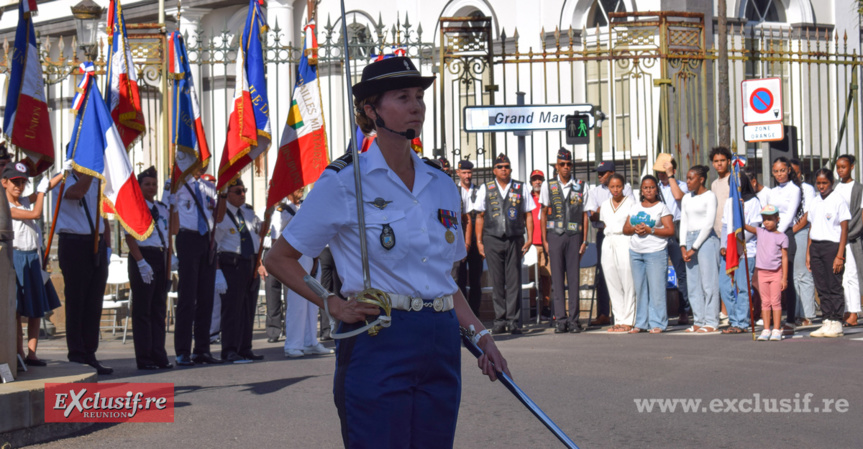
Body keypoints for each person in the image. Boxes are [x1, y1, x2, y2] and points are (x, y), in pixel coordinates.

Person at [263, 56, 509, 448]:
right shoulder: (346, 182)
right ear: (371, 109)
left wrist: (483, 338)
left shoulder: (442, 184)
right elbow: (278, 258)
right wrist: (332, 304)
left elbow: (445, 283)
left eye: (418, 97)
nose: (416, 106)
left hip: (440, 342)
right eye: (402, 97)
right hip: (378, 337)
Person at [55, 161, 113, 374]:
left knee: (93, 303)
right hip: (73, 243)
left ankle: (90, 353)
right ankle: (77, 355)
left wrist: (107, 245)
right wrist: (93, 170)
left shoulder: (96, 181)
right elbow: (76, 193)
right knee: (77, 301)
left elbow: (103, 214)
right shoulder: (61, 179)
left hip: (95, 243)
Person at [4, 163, 62, 367]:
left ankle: (32, 353)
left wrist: (64, 172)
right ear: (4, 183)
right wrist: (40, 192)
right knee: (17, 311)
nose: (19, 186)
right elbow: (36, 213)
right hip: (17, 257)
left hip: (32, 257)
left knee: (36, 308)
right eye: (15, 182)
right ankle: (18, 352)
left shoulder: (23, 202)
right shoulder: (6, 207)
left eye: (22, 182)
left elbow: (45, 188)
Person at [474, 153, 535, 334]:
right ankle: (499, 320)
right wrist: (478, 241)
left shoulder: (520, 187)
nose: (503, 169)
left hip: (514, 237)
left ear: (510, 169)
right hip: (492, 238)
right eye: (500, 167)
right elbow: (479, 215)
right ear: (494, 169)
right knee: (497, 280)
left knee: (514, 280)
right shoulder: (486, 188)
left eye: (507, 166)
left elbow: (529, 214)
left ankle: (513, 320)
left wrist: (530, 237)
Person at [170, 168, 223, 366]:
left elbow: (219, 216)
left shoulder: (208, 187)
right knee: (187, 298)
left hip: (207, 240)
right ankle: (182, 351)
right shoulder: (177, 185)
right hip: (187, 238)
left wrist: (223, 193)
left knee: (206, 298)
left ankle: (202, 349)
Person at [125, 167, 172, 369]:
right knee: (143, 311)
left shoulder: (161, 208)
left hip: (159, 255)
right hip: (142, 256)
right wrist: (140, 261)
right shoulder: (135, 206)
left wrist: (175, 207)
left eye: (154, 184)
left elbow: (172, 232)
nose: (151, 187)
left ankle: (158, 354)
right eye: (147, 184)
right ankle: (144, 358)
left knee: (158, 309)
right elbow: (129, 235)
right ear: (139, 186)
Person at [214, 178, 264, 363]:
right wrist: (218, 271)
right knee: (232, 309)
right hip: (231, 264)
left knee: (248, 308)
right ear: (227, 195)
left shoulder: (248, 212)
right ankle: (229, 350)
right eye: (238, 191)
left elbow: (259, 232)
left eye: (244, 190)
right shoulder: (221, 215)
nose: (242, 194)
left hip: (250, 263)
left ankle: (245, 348)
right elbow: (215, 245)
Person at [539, 148, 588, 333]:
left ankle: (574, 320)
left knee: (574, 278)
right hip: (555, 235)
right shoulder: (548, 185)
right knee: (557, 278)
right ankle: (560, 319)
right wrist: (544, 240)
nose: (566, 167)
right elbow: (543, 213)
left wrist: (584, 240)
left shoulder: (581, 185)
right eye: (562, 164)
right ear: (557, 166)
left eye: (568, 164)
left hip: (574, 236)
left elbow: (585, 215)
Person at [585, 161, 633, 326]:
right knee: (608, 277)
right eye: (598, 173)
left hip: (624, 237)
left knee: (626, 276)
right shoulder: (599, 197)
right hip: (605, 237)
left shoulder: (627, 194)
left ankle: (628, 318)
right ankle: (612, 316)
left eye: (603, 173)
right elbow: (593, 215)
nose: (599, 176)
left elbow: (630, 217)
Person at [624, 175, 673, 333]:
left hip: (655, 252)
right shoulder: (635, 207)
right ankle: (641, 323)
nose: (649, 190)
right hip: (636, 252)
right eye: (645, 187)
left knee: (656, 289)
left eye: (652, 187)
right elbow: (625, 229)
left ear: (656, 189)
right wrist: (635, 229)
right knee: (640, 288)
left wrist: (651, 230)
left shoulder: (662, 207)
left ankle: (658, 323)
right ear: (642, 190)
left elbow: (670, 230)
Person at [807, 169, 850, 338]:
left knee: (833, 283)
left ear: (831, 183)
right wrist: (808, 253)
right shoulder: (815, 201)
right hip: (816, 246)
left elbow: (844, 227)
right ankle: (826, 320)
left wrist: (840, 255)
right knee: (821, 285)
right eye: (818, 183)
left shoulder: (838, 200)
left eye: (825, 183)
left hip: (832, 246)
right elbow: (811, 226)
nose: (821, 186)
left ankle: (836, 320)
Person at [719, 170, 761, 334]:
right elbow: (724, 226)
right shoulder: (730, 202)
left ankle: (742, 322)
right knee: (724, 286)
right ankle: (734, 318)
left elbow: (755, 227)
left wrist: (737, 244)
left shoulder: (753, 202)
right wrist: (724, 245)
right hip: (729, 252)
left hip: (745, 251)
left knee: (743, 287)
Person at [680, 165, 720, 333]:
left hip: (705, 240)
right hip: (689, 240)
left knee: (708, 283)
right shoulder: (686, 198)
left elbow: (709, 224)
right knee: (693, 283)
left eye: (691, 178)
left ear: (701, 179)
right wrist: (683, 246)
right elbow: (683, 222)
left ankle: (711, 321)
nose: (688, 182)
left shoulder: (710, 196)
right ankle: (698, 319)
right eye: (687, 178)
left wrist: (694, 247)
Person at [599, 174, 636, 332]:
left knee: (627, 280)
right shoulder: (605, 204)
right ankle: (618, 318)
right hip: (608, 241)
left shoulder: (631, 202)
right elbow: (605, 223)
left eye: (618, 186)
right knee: (611, 279)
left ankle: (629, 319)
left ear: (623, 186)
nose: (615, 190)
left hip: (624, 240)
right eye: (612, 186)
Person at [769, 157, 803, 334]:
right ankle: (773, 318)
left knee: (786, 278)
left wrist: (777, 234)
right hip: (771, 235)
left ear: (788, 170)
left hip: (785, 235)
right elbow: (768, 212)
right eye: (776, 171)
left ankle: (790, 319)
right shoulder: (772, 191)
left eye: (782, 170)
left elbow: (789, 215)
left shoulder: (795, 189)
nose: (779, 174)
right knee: (772, 277)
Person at [746, 205, 788, 341]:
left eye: (770, 219)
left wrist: (784, 278)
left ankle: (776, 328)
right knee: (765, 302)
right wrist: (740, 209)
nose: (766, 222)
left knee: (775, 301)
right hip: (762, 272)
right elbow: (745, 226)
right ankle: (766, 329)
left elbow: (785, 258)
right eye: (764, 219)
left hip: (776, 273)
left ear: (777, 219)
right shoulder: (760, 231)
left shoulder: (782, 237)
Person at [657, 158, 691, 324]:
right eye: (659, 171)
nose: (661, 175)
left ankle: (684, 311)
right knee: (657, 273)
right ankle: (660, 312)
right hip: (659, 231)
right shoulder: (654, 187)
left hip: (676, 231)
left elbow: (678, 196)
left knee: (681, 273)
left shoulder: (681, 185)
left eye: (665, 171)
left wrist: (670, 177)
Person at [262, 194, 299, 343]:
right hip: (268, 251)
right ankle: (273, 331)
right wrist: (260, 263)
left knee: (289, 294)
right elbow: (259, 237)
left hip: (285, 255)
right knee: (272, 294)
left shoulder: (289, 210)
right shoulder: (262, 211)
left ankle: (290, 330)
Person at [833, 155, 863, 327]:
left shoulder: (858, 188)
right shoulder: (835, 187)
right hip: (835, 238)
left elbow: (860, 214)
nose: (840, 170)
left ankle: (854, 311)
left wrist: (849, 232)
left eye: (843, 167)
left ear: (851, 167)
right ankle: (843, 310)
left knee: (851, 275)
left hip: (851, 237)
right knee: (840, 277)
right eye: (837, 167)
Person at [788, 159, 817, 326]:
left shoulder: (807, 189)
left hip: (800, 232)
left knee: (802, 273)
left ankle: (807, 314)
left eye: (797, 172)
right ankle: (796, 313)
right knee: (792, 275)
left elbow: (807, 214)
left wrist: (793, 230)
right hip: (788, 233)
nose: (795, 175)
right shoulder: (785, 189)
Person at [455, 160, 483, 316]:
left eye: (469, 172)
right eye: (464, 172)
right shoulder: (454, 190)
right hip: (461, 239)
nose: (467, 176)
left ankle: (475, 313)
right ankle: (463, 314)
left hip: (475, 239)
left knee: (475, 279)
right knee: (460, 279)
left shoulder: (479, 190)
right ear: (458, 173)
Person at [710, 147, 733, 326]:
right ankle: (724, 312)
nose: (719, 164)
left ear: (729, 161)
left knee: (733, 275)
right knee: (723, 275)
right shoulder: (714, 184)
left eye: (722, 160)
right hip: (718, 234)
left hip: (732, 233)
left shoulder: (733, 179)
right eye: (716, 161)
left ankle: (733, 312)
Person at [529, 168, 551, 319]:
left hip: (546, 243)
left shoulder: (547, 198)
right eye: (534, 179)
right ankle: (532, 308)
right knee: (531, 279)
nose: (537, 182)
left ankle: (546, 308)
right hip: (531, 245)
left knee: (546, 277)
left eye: (540, 179)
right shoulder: (527, 198)